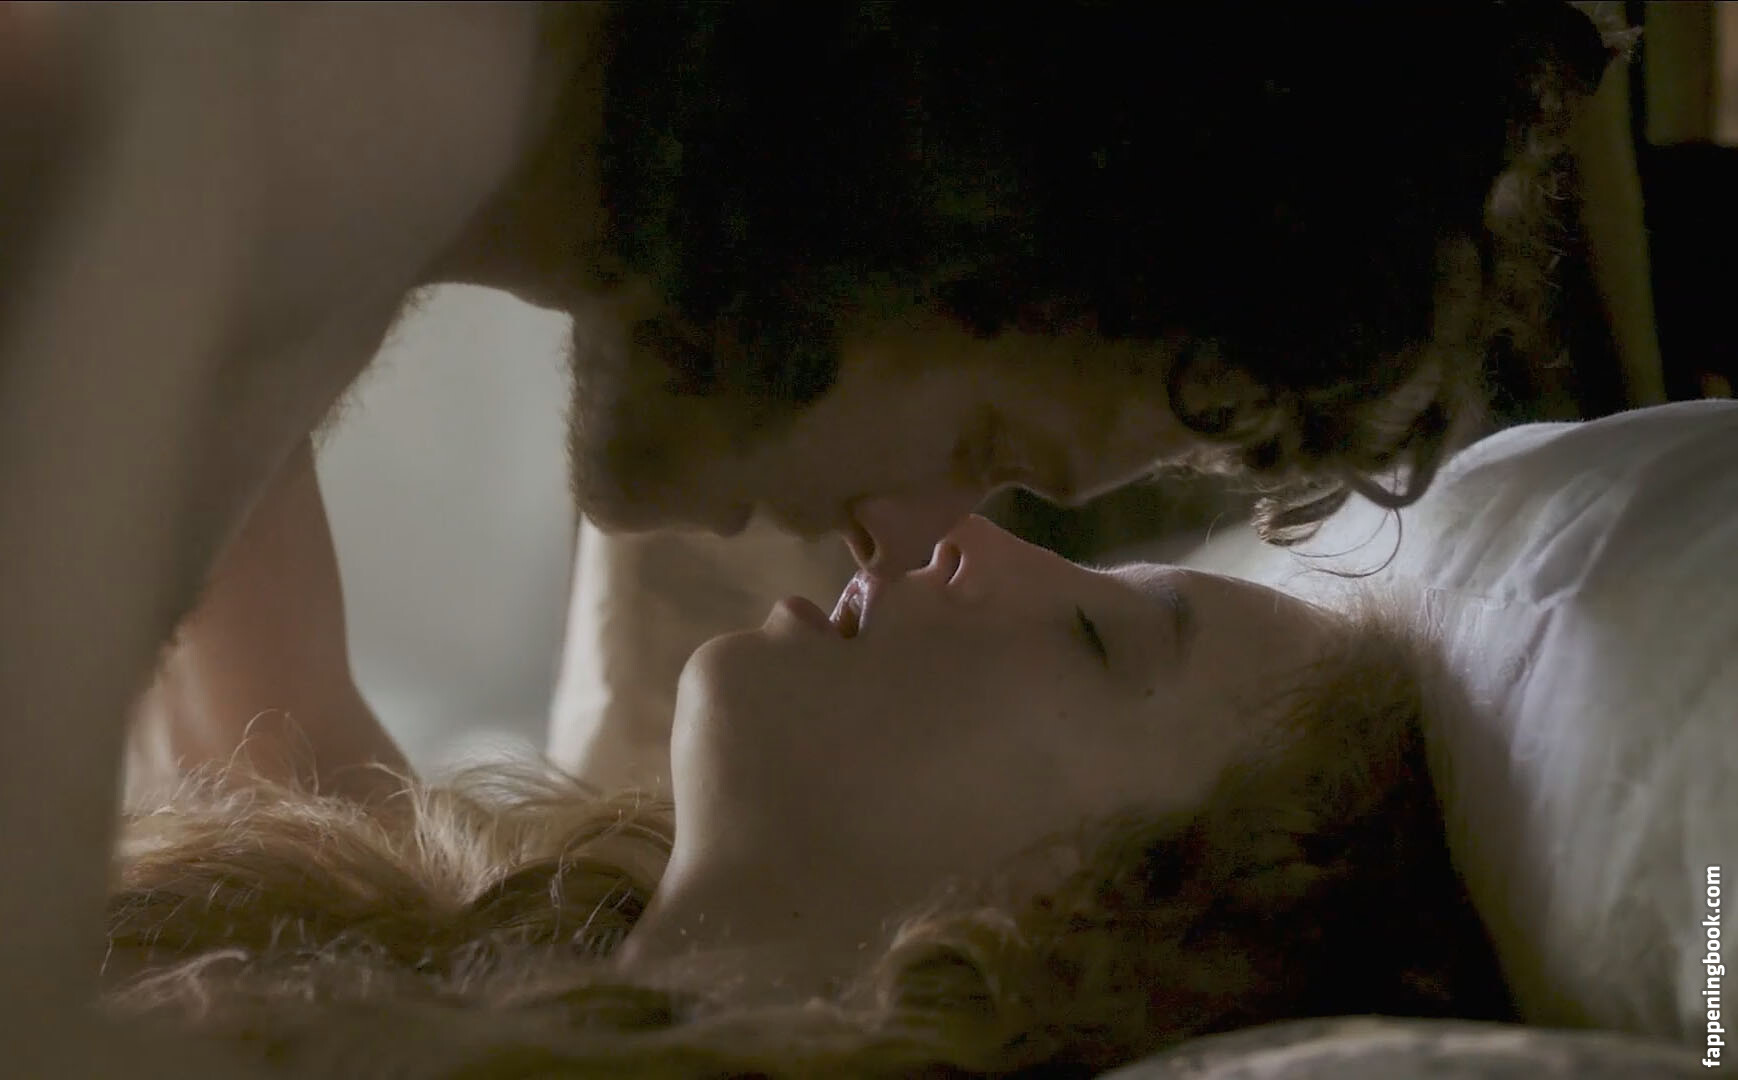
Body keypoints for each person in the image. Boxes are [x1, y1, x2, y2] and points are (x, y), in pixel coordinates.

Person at [0, 4, 1620, 1069]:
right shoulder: (244, 116)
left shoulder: (275, 178)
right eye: (984, 446)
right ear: (976, 189)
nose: (907, 537)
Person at [104, 516, 1512, 1077]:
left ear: (1103, 910)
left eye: (1095, 637)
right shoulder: (427, 929)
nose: (973, 541)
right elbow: (250, 701)